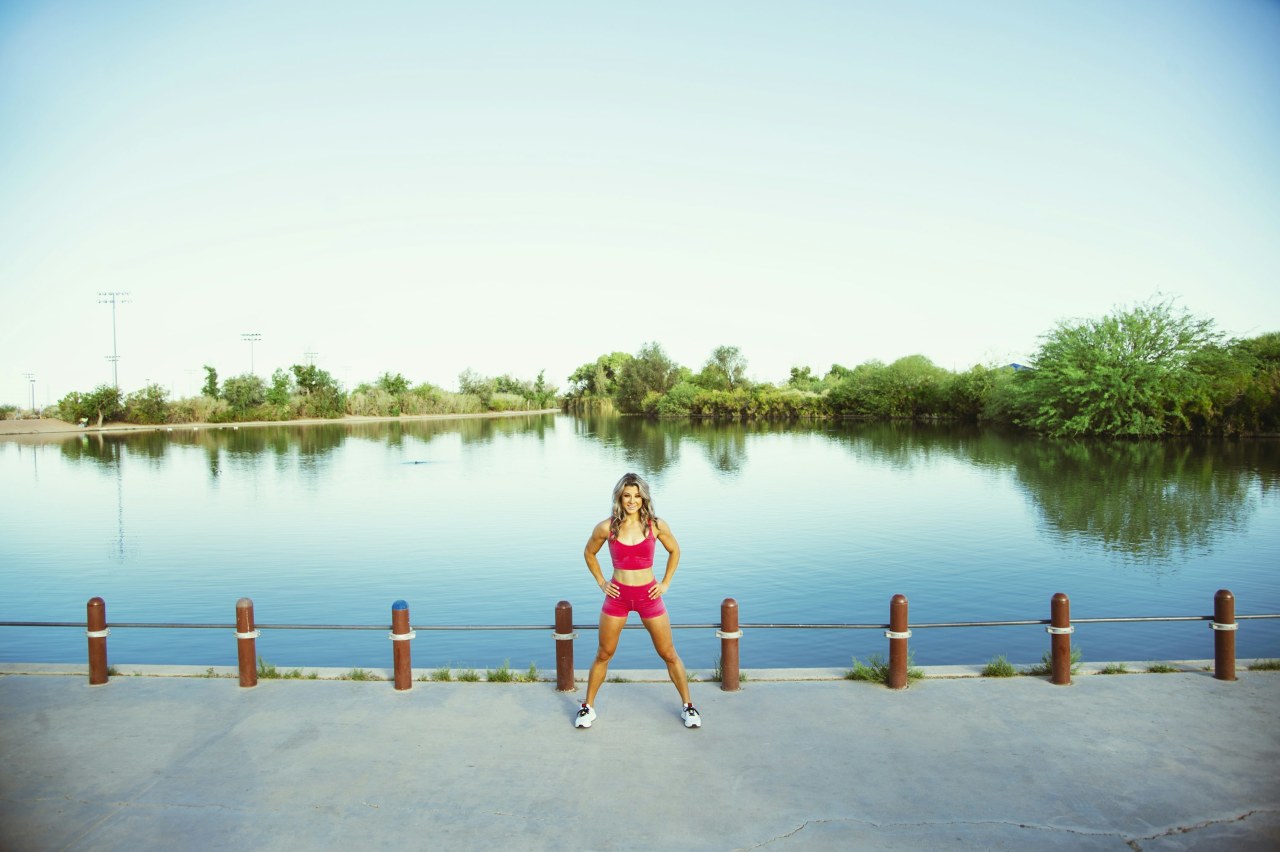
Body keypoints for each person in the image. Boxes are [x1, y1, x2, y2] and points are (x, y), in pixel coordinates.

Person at [575, 472, 700, 729]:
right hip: (618, 597)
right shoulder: (606, 527)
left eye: (637, 496)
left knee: (668, 653)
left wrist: (665, 583)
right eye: (627, 495)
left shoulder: (656, 525)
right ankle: (587, 708)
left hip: (648, 596)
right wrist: (602, 582)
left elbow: (675, 550)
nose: (632, 500)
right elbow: (589, 553)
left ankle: (688, 706)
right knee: (604, 653)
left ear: (644, 499)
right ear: (619, 498)